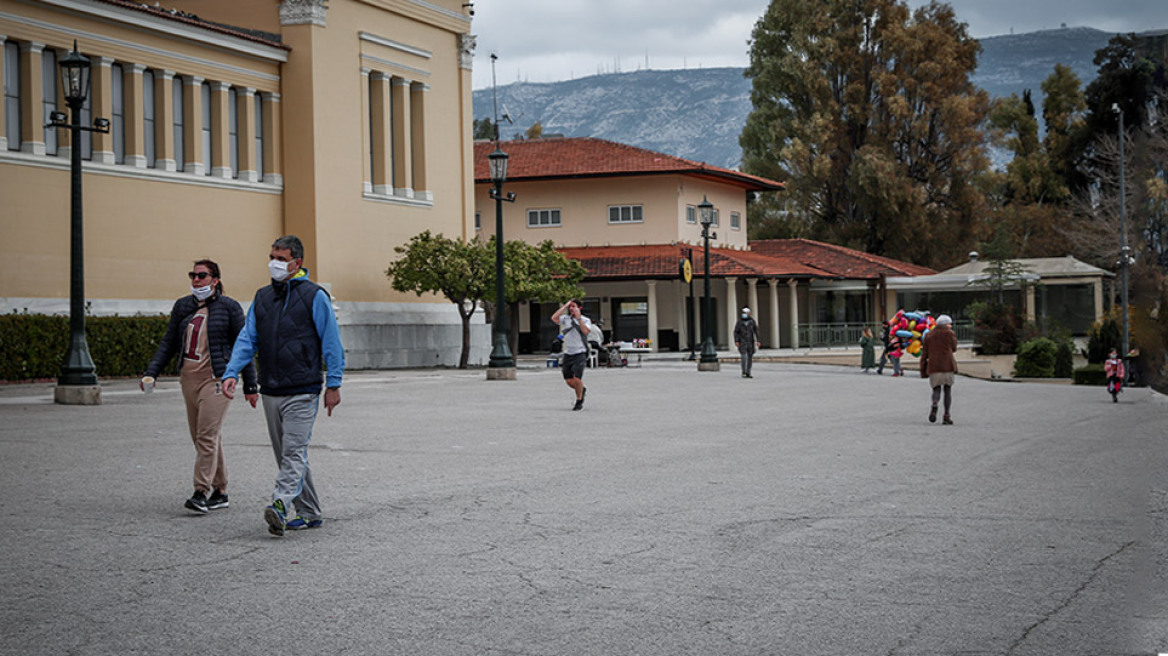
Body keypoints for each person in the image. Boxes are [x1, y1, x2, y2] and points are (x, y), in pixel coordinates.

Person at [222, 236, 345, 537]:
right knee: (290, 454)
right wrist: (230, 372)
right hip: (272, 388)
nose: (274, 263)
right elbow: (247, 338)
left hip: (303, 388)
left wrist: (334, 383)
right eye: (272, 256)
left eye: (280, 258)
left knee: (293, 452)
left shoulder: (315, 295)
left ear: (296, 263)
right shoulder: (263, 297)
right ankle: (310, 512)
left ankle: (279, 504)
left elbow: (331, 341)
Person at [143, 260, 258, 514]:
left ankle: (200, 492)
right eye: (192, 275)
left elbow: (244, 347)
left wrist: (251, 384)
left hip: (216, 379)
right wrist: (152, 372)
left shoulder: (229, 308)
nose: (196, 280)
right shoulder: (183, 306)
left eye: (202, 275)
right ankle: (221, 490)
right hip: (189, 379)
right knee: (203, 437)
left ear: (215, 280)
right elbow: (169, 342)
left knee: (206, 437)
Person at [551, 299, 593, 410]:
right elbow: (554, 318)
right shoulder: (566, 319)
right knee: (569, 380)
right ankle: (581, 389)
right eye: (570, 307)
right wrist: (564, 307)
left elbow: (586, 331)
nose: (571, 309)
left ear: (579, 308)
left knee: (577, 378)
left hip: (580, 352)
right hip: (568, 352)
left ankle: (579, 401)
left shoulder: (585, 320)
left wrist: (579, 319)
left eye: (573, 306)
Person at [920, 314, 958, 424]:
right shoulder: (950, 334)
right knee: (947, 390)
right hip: (947, 365)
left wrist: (922, 369)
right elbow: (954, 348)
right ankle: (946, 415)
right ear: (946, 324)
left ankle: (935, 403)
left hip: (934, 366)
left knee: (936, 389)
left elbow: (925, 353)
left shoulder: (929, 335)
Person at [733, 307, 761, 378]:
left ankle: (749, 372)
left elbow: (756, 331)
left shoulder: (752, 321)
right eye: (743, 313)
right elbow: (736, 332)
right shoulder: (739, 322)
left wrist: (758, 340)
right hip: (742, 342)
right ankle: (744, 371)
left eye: (746, 313)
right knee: (744, 357)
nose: (744, 314)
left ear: (749, 314)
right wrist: (736, 340)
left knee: (750, 357)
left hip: (750, 342)